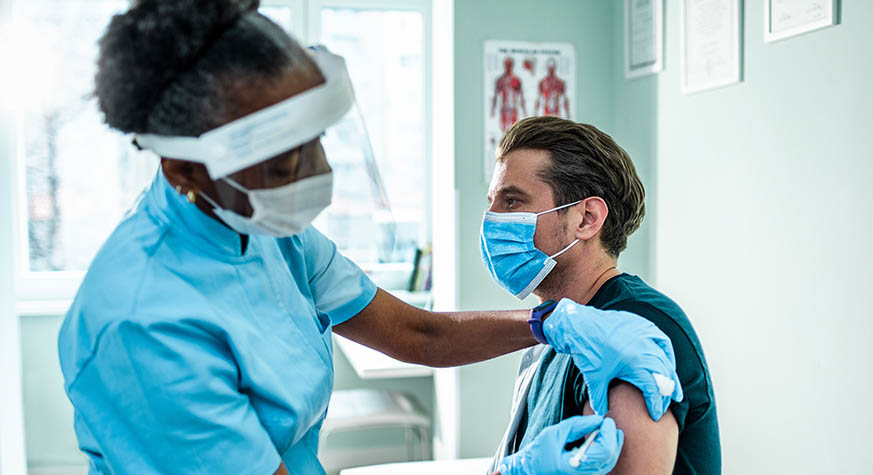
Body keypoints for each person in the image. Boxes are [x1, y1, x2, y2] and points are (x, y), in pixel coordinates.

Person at [57, 2, 681, 474]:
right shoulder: (140, 325)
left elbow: (417, 333)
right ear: (189, 169)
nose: (314, 177)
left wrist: (549, 325)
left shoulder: (271, 231)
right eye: (282, 164)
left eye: (316, 144)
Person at [484, 117, 721, 474]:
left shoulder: (632, 330)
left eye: (512, 201)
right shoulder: (556, 325)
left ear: (586, 218)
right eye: (493, 201)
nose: (491, 218)